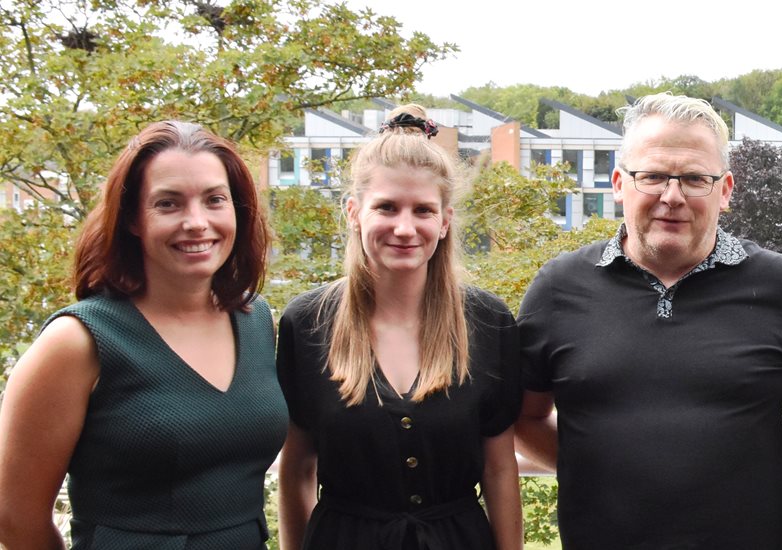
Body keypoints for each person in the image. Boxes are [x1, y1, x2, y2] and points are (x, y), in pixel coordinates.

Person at [514, 92, 782, 549]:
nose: (672, 196)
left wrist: (742, 460)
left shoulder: (777, 288)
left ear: (726, 189)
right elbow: (524, 417)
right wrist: (596, 460)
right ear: (619, 183)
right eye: (652, 176)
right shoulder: (558, 289)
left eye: (695, 178)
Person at [0, 120, 284, 548]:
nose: (197, 222)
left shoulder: (257, 319)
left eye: (215, 200)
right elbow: (14, 517)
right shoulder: (78, 341)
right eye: (168, 204)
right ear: (132, 218)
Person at [276, 105, 522, 550]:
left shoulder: (489, 322)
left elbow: (500, 469)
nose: (404, 228)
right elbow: (297, 470)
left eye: (423, 210)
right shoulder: (307, 323)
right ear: (354, 212)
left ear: (444, 221)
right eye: (386, 207)